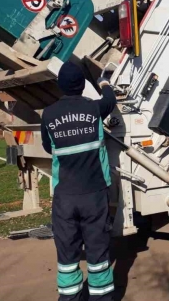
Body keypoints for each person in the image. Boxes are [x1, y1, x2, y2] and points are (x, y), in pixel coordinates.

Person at [41, 61, 117, 301]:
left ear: (60, 85)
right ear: (83, 86)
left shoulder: (49, 115)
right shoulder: (94, 109)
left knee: (67, 254)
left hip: (64, 198)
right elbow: (110, 99)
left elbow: (47, 147)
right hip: (94, 196)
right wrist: (104, 82)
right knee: (97, 252)